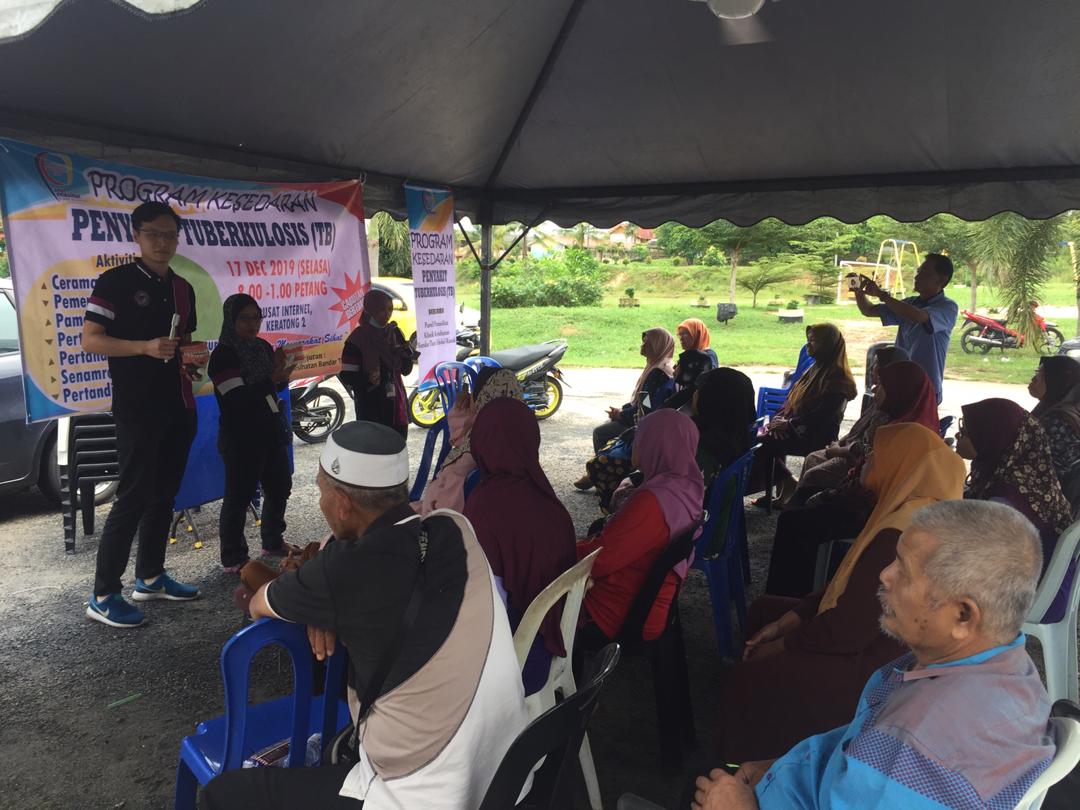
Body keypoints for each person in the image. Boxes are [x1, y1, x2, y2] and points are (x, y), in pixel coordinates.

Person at [202, 422, 531, 809]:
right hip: (509, 768)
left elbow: (259, 601)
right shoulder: (455, 527)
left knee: (220, 795)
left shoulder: (341, 572)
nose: (321, 504)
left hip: (424, 792)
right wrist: (320, 608)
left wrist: (316, 603)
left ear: (343, 503)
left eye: (321, 492)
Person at [691, 499, 1055, 810]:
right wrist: (782, 764)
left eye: (905, 572)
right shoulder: (1007, 666)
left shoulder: (914, 749)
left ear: (962, 615)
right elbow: (854, 747)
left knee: (698, 781)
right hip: (799, 782)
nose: (884, 575)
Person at [718, 423, 966, 763]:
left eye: (879, 453)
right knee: (766, 610)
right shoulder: (910, 510)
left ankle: (748, 770)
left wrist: (782, 645)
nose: (868, 459)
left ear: (902, 462)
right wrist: (790, 619)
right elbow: (849, 584)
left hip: (876, 670)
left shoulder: (903, 532)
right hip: (874, 643)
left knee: (749, 676)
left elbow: (848, 629)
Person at [81, 201, 200, 627]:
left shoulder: (183, 288)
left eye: (170, 235)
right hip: (137, 407)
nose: (163, 242)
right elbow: (91, 340)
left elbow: (186, 342)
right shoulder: (115, 281)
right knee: (132, 496)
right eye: (154, 234)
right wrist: (144, 347)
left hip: (179, 404)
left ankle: (150, 577)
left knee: (165, 495)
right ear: (136, 236)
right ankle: (103, 594)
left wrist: (193, 358)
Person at [464, 397, 577, 695]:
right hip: (549, 642)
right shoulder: (547, 499)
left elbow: (483, 603)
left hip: (517, 658)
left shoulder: (485, 505)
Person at [575, 409, 703, 646]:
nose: (634, 443)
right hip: (651, 600)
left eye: (639, 437)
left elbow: (600, 560)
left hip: (620, 612)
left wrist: (561, 551)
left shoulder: (653, 501)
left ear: (654, 444)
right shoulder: (687, 485)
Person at [958, 397, 1074, 621]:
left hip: (1030, 596)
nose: (959, 437)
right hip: (1050, 590)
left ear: (992, 437)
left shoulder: (1006, 498)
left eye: (968, 431)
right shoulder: (1031, 477)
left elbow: (977, 560)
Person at [208, 294, 295, 572]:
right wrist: (272, 379)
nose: (252, 324)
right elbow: (237, 398)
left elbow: (275, 389)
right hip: (241, 435)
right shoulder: (222, 356)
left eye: (256, 317)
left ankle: (273, 540)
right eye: (245, 318)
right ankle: (233, 557)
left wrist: (282, 375)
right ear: (231, 320)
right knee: (239, 496)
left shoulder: (263, 347)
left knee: (280, 486)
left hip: (270, 429)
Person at [793, 358, 937, 504]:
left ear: (897, 390)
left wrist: (836, 451)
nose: (874, 390)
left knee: (813, 476)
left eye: (881, 385)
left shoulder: (904, 429)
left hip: (862, 476)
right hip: (858, 464)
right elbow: (859, 433)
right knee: (813, 460)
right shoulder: (890, 409)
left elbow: (866, 455)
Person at [749, 323, 857, 507]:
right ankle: (786, 486)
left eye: (813, 341)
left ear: (828, 344)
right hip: (798, 428)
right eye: (808, 340)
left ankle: (787, 483)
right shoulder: (815, 369)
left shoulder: (837, 378)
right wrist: (778, 420)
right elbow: (791, 400)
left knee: (762, 443)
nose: (808, 345)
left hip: (815, 435)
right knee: (762, 435)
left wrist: (789, 424)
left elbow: (823, 416)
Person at [574, 327, 675, 491]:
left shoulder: (657, 373)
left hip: (645, 425)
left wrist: (621, 415)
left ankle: (600, 476)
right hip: (647, 419)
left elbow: (646, 407)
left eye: (647, 343)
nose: (642, 346)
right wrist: (622, 410)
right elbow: (642, 401)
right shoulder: (662, 365)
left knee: (600, 432)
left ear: (657, 346)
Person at [412, 367, 523, 515]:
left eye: (474, 395)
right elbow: (457, 428)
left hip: (441, 514)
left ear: (482, 398)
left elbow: (442, 506)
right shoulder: (517, 434)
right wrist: (466, 407)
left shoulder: (473, 447)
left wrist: (464, 408)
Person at [852, 253, 958, 404]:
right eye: (918, 271)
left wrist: (882, 295)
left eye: (924, 273)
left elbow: (918, 316)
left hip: (924, 388)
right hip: (899, 383)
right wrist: (858, 291)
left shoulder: (947, 307)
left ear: (941, 280)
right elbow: (868, 310)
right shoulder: (910, 303)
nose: (917, 276)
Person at [340, 289, 415, 437]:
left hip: (396, 405)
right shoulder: (357, 339)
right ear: (370, 310)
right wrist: (368, 379)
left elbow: (406, 370)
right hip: (371, 408)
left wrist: (406, 354)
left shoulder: (395, 333)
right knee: (375, 447)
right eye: (382, 309)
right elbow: (347, 376)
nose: (387, 314)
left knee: (398, 446)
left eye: (390, 309)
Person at [1029, 355, 1080, 506]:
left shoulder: (1058, 420)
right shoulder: (1052, 408)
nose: (1033, 379)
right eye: (1036, 372)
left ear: (1056, 381)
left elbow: (1038, 465)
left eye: (1040, 376)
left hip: (1051, 500)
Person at [692, 367, 756, 488]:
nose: (694, 394)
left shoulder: (702, 448)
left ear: (710, 400)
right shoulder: (736, 436)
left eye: (699, 390)